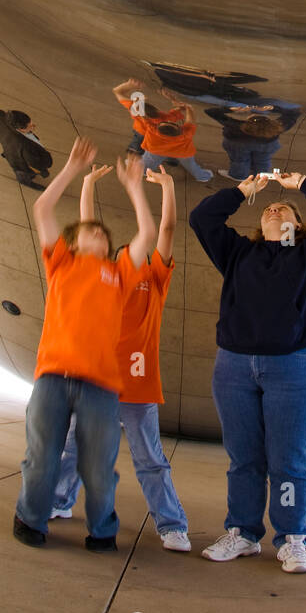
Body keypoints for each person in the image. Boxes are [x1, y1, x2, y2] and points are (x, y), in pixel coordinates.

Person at [189, 170, 306, 572]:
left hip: (296, 367)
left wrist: (301, 183)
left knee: (288, 461)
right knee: (243, 459)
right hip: (233, 366)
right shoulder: (236, 253)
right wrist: (243, 191)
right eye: (265, 208)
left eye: (283, 208)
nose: (273, 208)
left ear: (297, 225)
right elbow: (202, 219)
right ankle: (243, 534)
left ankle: (292, 539)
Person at [13, 138, 157, 550]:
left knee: (98, 467)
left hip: (101, 387)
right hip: (53, 378)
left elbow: (146, 231)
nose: (98, 232)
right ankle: (31, 518)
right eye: (89, 229)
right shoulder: (62, 263)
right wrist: (72, 170)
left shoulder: (119, 273)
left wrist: (134, 188)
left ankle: (103, 529)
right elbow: (42, 209)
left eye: (102, 232)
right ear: (74, 242)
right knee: (41, 457)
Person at [52, 166, 191, 552]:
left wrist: (167, 187)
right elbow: (85, 228)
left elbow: (165, 230)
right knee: (74, 445)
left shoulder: (155, 280)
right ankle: (60, 500)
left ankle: (172, 524)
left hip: (138, 387)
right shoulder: (105, 277)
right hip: (97, 382)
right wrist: (86, 184)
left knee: (150, 458)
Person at [113, 79, 212, 181]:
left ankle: (142, 171)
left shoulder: (150, 128)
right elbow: (189, 117)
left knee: (146, 162)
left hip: (155, 151)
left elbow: (142, 116)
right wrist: (178, 102)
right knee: (192, 167)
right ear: (178, 128)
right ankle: (203, 177)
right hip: (182, 153)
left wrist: (131, 90)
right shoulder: (184, 132)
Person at [205, 106, 283, 178]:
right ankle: (262, 177)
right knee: (263, 161)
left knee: (240, 161)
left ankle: (239, 175)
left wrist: (232, 109)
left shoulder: (236, 125)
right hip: (267, 144)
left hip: (238, 144)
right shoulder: (277, 127)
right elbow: (292, 114)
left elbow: (211, 112)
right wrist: (273, 108)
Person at [0, 110, 53, 189]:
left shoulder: (1, 119)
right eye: (29, 126)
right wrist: (44, 171)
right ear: (20, 129)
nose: (33, 126)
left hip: (10, 151)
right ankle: (27, 182)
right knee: (24, 175)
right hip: (20, 164)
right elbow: (35, 164)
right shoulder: (25, 146)